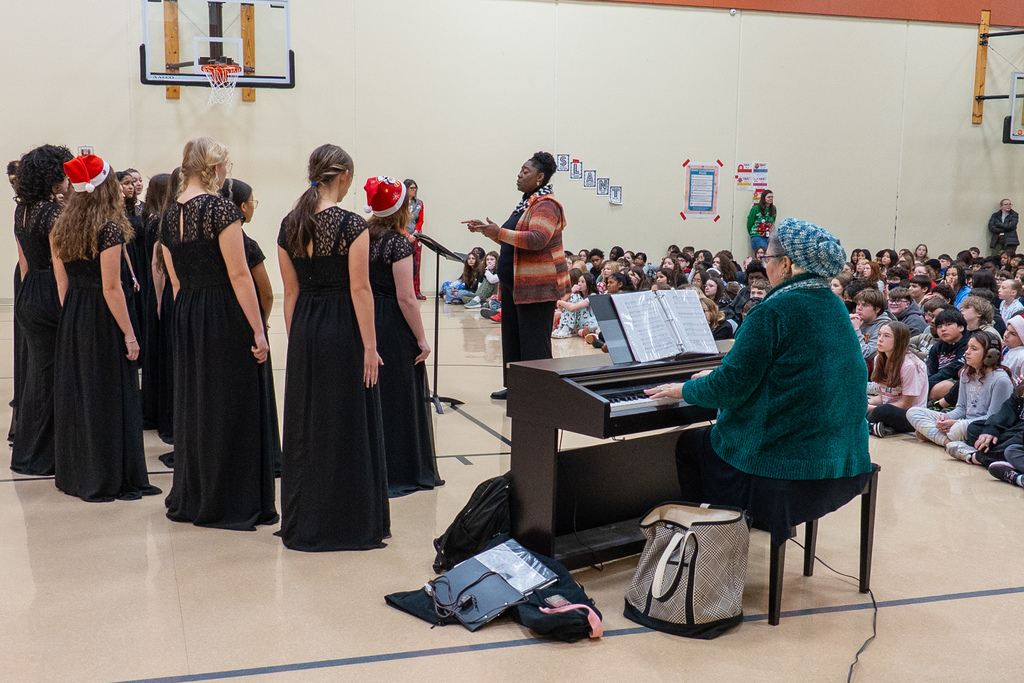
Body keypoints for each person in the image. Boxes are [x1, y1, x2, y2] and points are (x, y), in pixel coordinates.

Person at [647, 218, 873, 551]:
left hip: (786, 457)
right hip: (841, 451)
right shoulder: (835, 306)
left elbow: (731, 388)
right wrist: (721, 375)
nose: (765, 265)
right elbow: (788, 369)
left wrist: (684, 389)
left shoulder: (772, 311)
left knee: (691, 444)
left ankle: (710, 539)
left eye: (768, 258)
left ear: (787, 264)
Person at [160, 137, 278, 531]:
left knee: (196, 400)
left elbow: (175, 280)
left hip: (187, 310)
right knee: (231, 402)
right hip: (223, 312)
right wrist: (258, 330)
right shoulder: (220, 209)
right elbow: (239, 274)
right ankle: (230, 497)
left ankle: (196, 491)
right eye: (225, 166)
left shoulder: (168, 215)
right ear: (214, 169)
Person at [277, 145, 387, 550]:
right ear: (343, 177)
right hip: (343, 329)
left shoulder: (289, 224)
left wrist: (297, 341)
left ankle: (306, 517)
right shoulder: (351, 224)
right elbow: (360, 290)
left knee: (308, 425)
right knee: (346, 422)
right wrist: (370, 347)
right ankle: (347, 520)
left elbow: (291, 293)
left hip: (305, 327)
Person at [49, 154, 161, 502]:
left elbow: (62, 282)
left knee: (82, 394)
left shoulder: (61, 226)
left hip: (75, 313)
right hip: (102, 316)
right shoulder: (109, 229)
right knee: (110, 395)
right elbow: (112, 288)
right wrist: (130, 334)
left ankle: (79, 471)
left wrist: (73, 317)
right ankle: (110, 475)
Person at [463, 152, 569, 400]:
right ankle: (517, 389)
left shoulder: (546, 205)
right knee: (514, 340)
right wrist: (489, 232)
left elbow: (537, 239)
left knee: (534, 344)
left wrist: (499, 233)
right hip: (515, 286)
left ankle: (539, 395)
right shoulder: (526, 204)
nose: (519, 175)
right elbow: (513, 241)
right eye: (520, 170)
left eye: (525, 171)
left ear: (540, 177)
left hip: (536, 288)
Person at [365, 176, 442, 498]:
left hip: (366, 317)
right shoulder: (398, 244)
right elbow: (406, 297)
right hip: (391, 322)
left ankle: (372, 466)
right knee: (399, 395)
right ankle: (401, 468)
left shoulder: (363, 236)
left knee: (374, 392)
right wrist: (422, 339)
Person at [11, 144, 73, 476]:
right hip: (50, 290)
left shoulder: (21, 210)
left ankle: (31, 449)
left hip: (30, 290)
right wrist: (68, 308)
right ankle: (46, 454)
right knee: (54, 376)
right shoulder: (52, 214)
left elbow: (24, 262)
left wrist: (26, 297)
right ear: (53, 177)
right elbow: (61, 269)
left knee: (38, 373)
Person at [220, 177, 282, 476]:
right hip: (245, 324)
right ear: (243, 208)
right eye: (253, 201)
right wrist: (262, 322)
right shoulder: (247, 245)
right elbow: (266, 293)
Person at [907, 331, 1013, 447]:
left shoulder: (1001, 380)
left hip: (980, 426)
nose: (967, 352)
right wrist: (947, 417)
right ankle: (949, 442)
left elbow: (993, 418)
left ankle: (936, 436)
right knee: (914, 412)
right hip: (962, 422)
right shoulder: (965, 373)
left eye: (974, 349)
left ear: (991, 354)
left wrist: (956, 423)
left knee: (955, 429)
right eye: (967, 347)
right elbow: (961, 408)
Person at [139, 173, 173, 436]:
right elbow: (156, 263)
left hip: (154, 286)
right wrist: (161, 299)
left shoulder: (151, 219)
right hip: (161, 286)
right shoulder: (158, 222)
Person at [866, 322, 928, 437]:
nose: (880, 339)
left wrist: (872, 409)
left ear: (899, 340)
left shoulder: (910, 365)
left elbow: (906, 405)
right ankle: (877, 427)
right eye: (879, 334)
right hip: (888, 409)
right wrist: (866, 403)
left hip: (910, 416)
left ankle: (867, 424)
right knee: (855, 402)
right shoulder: (879, 358)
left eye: (886, 336)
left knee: (882, 411)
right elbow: (882, 398)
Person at [850, 288, 893, 362]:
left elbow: (866, 355)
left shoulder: (884, 326)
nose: (859, 308)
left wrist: (856, 329)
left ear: (877, 309)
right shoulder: (855, 321)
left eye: (864, 305)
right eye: (858, 304)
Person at [554, 271, 598, 338]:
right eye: (578, 282)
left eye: (582, 282)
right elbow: (560, 307)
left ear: (589, 284)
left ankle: (566, 327)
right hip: (579, 321)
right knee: (573, 296)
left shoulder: (593, 296)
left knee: (574, 297)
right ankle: (563, 327)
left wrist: (560, 302)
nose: (579, 284)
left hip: (588, 322)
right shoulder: (579, 296)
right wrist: (571, 291)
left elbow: (572, 307)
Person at [403, 179, 426, 299]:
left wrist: (416, 231)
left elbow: (420, 220)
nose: (414, 190)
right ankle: (406, 291)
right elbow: (399, 221)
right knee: (404, 265)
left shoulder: (419, 203)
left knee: (416, 264)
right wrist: (407, 235)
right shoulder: (401, 204)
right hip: (404, 236)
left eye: (415, 188)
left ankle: (416, 291)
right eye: (412, 188)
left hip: (416, 236)